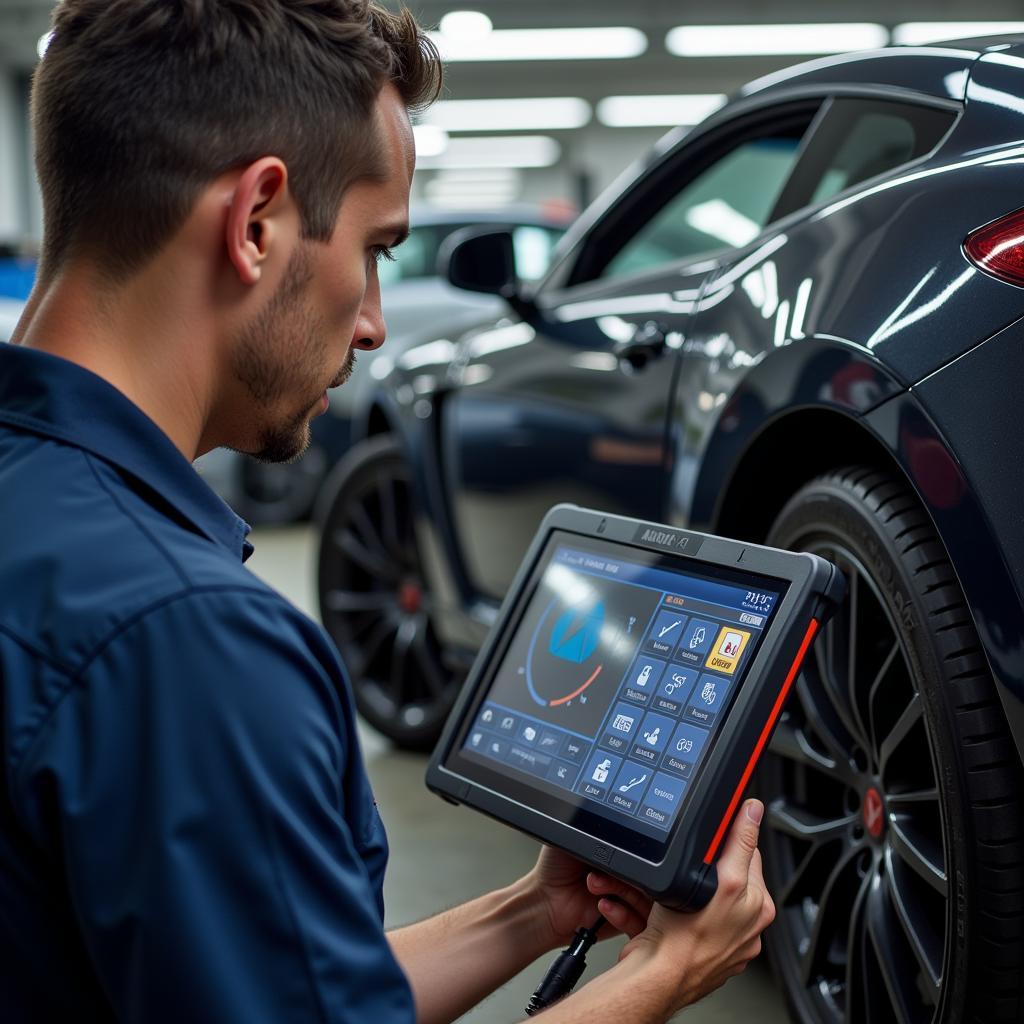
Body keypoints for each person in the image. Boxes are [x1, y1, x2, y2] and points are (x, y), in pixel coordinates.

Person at [0, 2, 775, 1022]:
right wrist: (660, 977)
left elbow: (283, 985)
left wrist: (532, 910)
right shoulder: (186, 640)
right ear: (258, 221)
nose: (372, 321)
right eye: (374, 248)